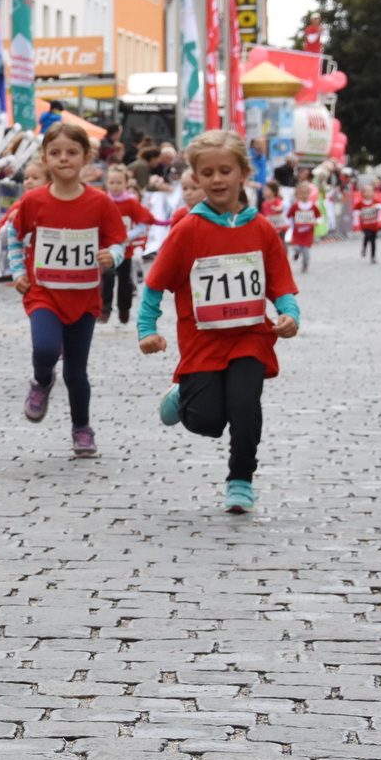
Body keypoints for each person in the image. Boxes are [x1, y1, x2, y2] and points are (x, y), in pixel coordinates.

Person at [139, 130, 300, 515]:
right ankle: (183, 398)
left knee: (245, 406)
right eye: (206, 172)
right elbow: (154, 285)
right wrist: (147, 329)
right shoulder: (187, 230)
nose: (216, 179)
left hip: (250, 336)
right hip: (202, 342)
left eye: (225, 170)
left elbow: (280, 282)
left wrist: (290, 314)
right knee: (207, 421)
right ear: (194, 177)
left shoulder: (260, 228)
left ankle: (241, 479)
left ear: (243, 174)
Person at [5, 123, 127, 458]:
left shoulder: (100, 203)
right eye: (56, 153)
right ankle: (42, 381)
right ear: (44, 158)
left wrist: (111, 255)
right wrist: (18, 272)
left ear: (86, 158)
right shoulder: (33, 201)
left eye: (72, 152)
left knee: (76, 371)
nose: (64, 159)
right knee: (45, 350)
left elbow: (118, 241)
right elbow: (13, 237)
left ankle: (82, 428)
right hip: (43, 293)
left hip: (84, 297)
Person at [100, 165, 156, 325]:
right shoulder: (103, 201)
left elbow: (141, 224)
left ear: (126, 183)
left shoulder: (131, 203)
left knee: (125, 281)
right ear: (107, 183)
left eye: (119, 182)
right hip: (107, 249)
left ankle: (124, 309)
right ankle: (105, 309)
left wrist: (127, 236)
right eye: (112, 182)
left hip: (126, 250)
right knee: (107, 277)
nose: (115, 186)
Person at [282, 181, 323, 273]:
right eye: (302, 193)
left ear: (309, 194)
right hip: (297, 233)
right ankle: (296, 253)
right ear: (298, 194)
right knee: (296, 247)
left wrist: (316, 222)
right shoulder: (295, 205)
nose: (304, 195)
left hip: (308, 234)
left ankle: (305, 266)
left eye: (306, 193)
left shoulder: (312, 206)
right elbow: (288, 216)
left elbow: (319, 216)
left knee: (306, 252)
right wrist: (289, 224)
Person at [352, 182, 381, 263]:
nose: (369, 193)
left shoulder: (376, 202)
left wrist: (378, 207)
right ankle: (364, 248)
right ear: (363, 193)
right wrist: (360, 213)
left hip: (374, 224)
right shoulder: (360, 203)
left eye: (370, 191)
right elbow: (354, 211)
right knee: (367, 235)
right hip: (365, 224)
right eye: (367, 191)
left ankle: (373, 257)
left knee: (373, 240)